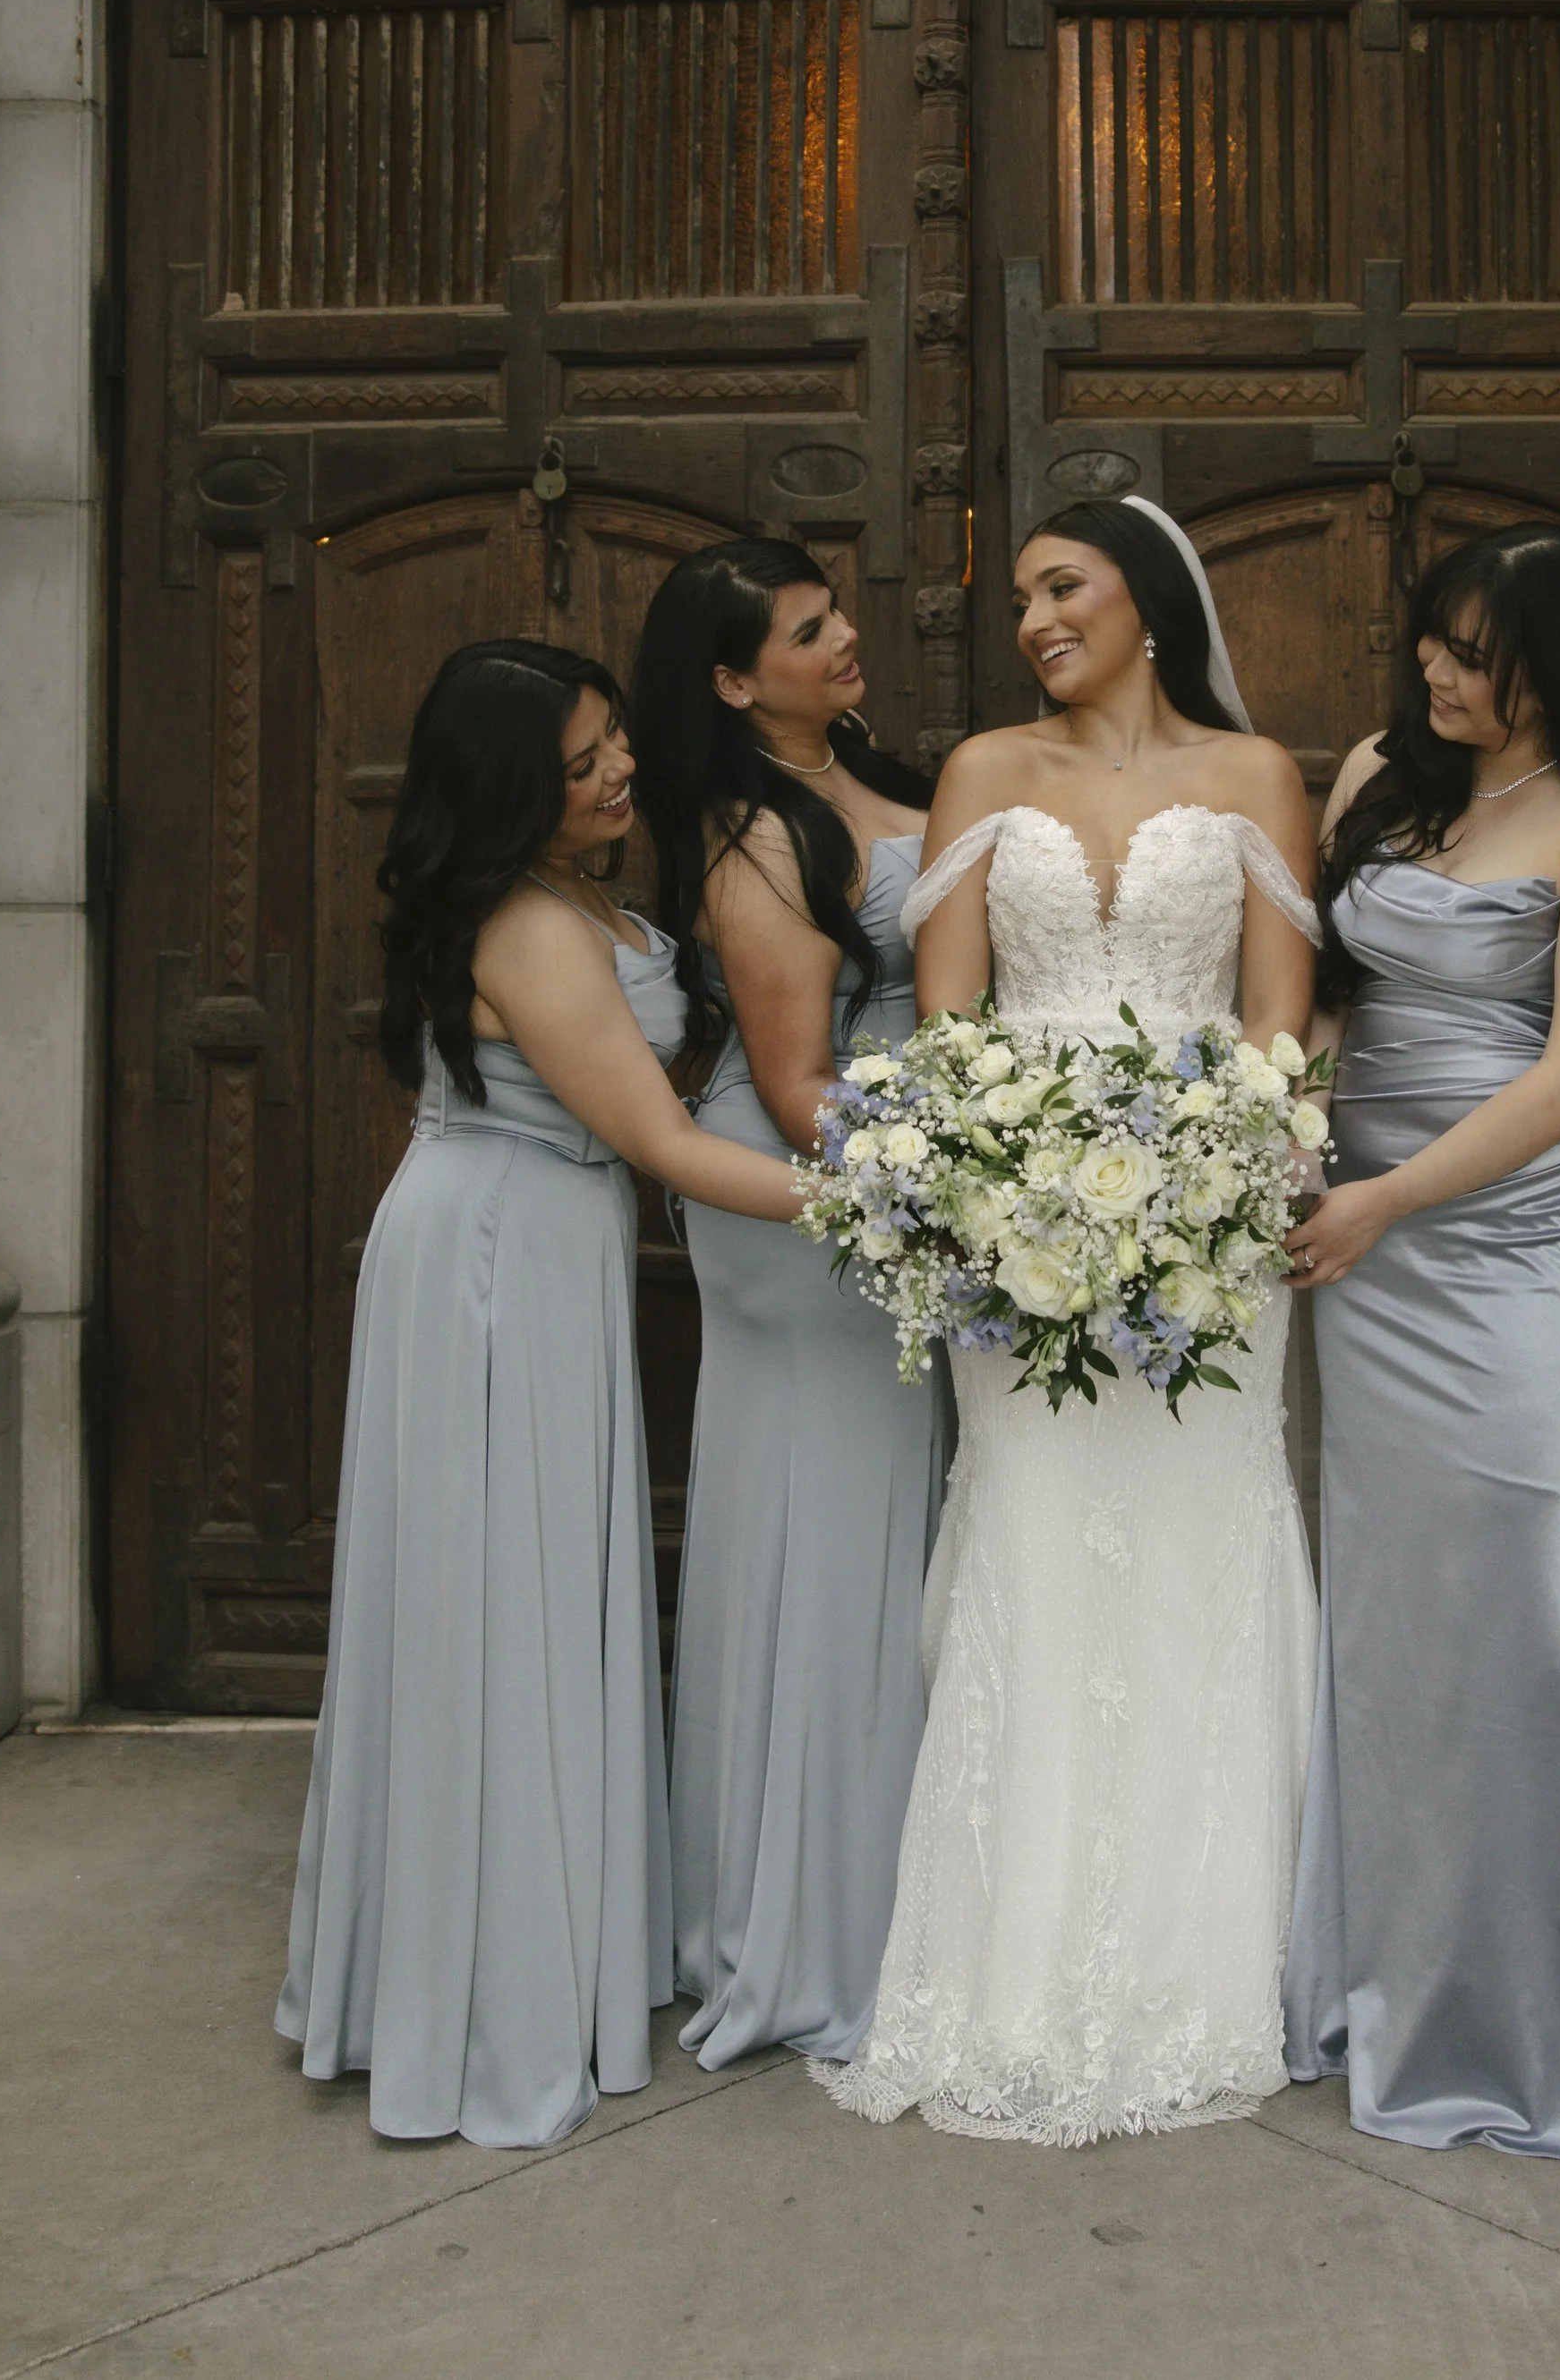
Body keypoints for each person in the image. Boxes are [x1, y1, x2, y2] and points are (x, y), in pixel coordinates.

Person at [821, 497, 1321, 2146]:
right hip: (1014, 1230)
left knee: (1200, 1546)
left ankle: (1207, 1965)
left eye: (1063, 587)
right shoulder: (985, 772)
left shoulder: (1256, 781)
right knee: (1035, 1542)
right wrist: (992, 1179)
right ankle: (1011, 1964)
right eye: (1019, 597)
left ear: (1152, 602)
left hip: (1207, 1251)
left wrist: (1225, 1176)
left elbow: (1275, 1023)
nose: (1033, 619)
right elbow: (948, 1016)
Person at [277, 640, 805, 2150]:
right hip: (490, 1266)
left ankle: (541, 1938)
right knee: (485, 1605)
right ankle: (474, 1990)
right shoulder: (526, 926)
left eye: (615, 742)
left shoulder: (586, 898)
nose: (619, 771)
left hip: (549, 1249)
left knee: (533, 1590)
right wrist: (901, 1202)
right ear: (512, 790)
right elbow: (671, 1146)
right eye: (580, 765)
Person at [1280, 523, 1560, 2160]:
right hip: (1366, 1228)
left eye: (1473, 652)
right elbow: (1336, 979)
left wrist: (1388, 1201)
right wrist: (1301, 1109)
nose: (1435, 672)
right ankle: (1395, 1964)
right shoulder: (1381, 783)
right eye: (1432, 642)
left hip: (1517, 1236)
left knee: (1528, 1576)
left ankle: (1558, 2009)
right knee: (1399, 1601)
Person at [631, 545, 942, 2071]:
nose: (846, 642)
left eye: (838, 617)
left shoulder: (869, 771)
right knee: (829, 1542)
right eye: (811, 633)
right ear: (733, 681)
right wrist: (964, 1193)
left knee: (886, 1534)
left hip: (895, 1188)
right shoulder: (753, 835)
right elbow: (796, 1081)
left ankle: (891, 1888)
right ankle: (809, 1925)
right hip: (814, 1204)